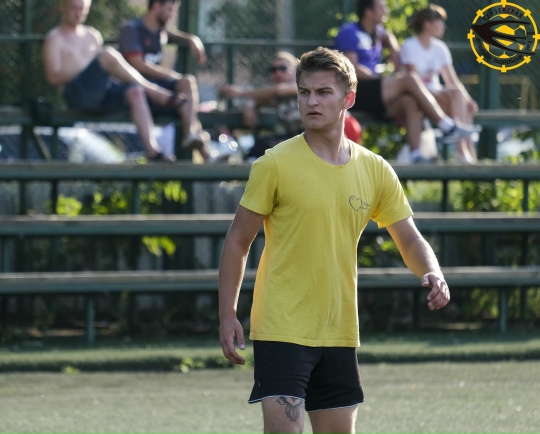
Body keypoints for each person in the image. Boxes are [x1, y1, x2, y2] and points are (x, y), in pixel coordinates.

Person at [218, 46, 450, 434]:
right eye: (304, 92)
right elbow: (238, 241)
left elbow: (409, 238)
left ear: (349, 99)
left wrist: (432, 270)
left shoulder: (375, 169)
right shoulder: (274, 163)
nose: (311, 101)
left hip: (339, 330)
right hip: (281, 327)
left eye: (323, 92)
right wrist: (227, 313)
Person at [334, 0, 476, 164]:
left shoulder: (379, 32)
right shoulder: (349, 32)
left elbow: (395, 52)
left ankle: (416, 155)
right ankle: (445, 125)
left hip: (375, 93)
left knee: (409, 101)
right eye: (381, 7)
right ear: (368, 12)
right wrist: (382, 79)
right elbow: (352, 68)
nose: (386, 11)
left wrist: (392, 45)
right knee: (410, 80)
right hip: (357, 90)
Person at [43, 0, 187, 161]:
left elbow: (106, 69)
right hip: (78, 95)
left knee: (135, 92)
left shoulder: (92, 35)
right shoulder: (55, 38)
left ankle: (152, 151)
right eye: (73, 8)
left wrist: (191, 39)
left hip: (102, 93)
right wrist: (88, 68)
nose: (78, 13)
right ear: (63, 8)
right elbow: (53, 77)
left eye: (82, 9)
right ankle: (154, 91)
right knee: (108, 55)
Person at [220, 51, 362, 160]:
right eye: (273, 70)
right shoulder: (276, 98)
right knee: (263, 146)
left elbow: (278, 90)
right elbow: (265, 98)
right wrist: (251, 105)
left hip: (344, 128)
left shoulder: (301, 85)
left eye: (283, 68)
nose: (278, 73)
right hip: (306, 136)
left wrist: (240, 93)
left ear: (294, 70)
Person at [119, 0, 211, 161]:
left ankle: (191, 134)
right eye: (169, 9)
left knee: (187, 82)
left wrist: (192, 39)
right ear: (156, 6)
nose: (172, 15)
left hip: (160, 89)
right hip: (138, 89)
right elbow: (137, 64)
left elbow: (172, 33)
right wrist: (169, 75)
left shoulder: (160, 29)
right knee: (181, 96)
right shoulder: (131, 29)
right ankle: (205, 155)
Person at [401, 4, 478, 163]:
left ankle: (462, 152)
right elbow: (415, 82)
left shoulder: (441, 48)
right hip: (419, 97)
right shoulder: (410, 45)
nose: (443, 26)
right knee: (460, 102)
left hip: (438, 96)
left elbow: (452, 80)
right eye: (440, 21)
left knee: (462, 99)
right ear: (427, 24)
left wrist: (468, 100)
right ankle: (463, 151)